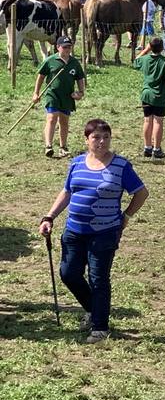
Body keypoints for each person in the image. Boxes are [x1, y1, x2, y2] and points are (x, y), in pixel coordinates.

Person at [37, 118, 148, 344]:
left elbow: (141, 193)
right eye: (96, 137)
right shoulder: (77, 163)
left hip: (104, 232)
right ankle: (93, 309)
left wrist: (125, 217)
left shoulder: (121, 166)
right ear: (86, 139)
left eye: (106, 137)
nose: (101, 142)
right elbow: (67, 192)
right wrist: (49, 216)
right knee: (68, 273)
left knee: (98, 278)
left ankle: (100, 326)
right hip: (74, 230)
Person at [34, 35, 86, 159]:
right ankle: (48, 146)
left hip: (67, 96)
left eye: (69, 47)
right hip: (53, 94)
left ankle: (63, 147)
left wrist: (80, 92)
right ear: (58, 47)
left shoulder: (74, 62)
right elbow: (41, 76)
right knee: (52, 118)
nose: (67, 49)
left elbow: (79, 78)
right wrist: (36, 93)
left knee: (64, 121)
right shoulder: (50, 61)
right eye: (65, 47)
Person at [133, 37, 165, 160]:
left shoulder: (146, 59)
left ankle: (147, 147)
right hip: (159, 96)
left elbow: (136, 60)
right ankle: (157, 149)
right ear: (162, 48)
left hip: (146, 94)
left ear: (150, 47)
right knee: (158, 121)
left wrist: (145, 50)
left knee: (147, 120)